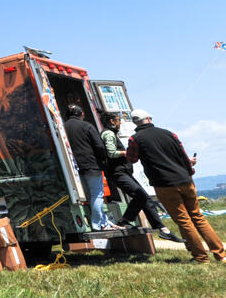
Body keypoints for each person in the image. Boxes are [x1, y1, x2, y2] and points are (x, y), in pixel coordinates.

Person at [127, 109, 225, 264]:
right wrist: (190, 170)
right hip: (185, 180)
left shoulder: (135, 139)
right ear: (149, 118)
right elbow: (182, 154)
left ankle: (201, 257)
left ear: (135, 123)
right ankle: (221, 254)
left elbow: (131, 159)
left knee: (184, 220)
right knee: (198, 217)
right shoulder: (169, 133)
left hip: (163, 184)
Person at [99, 113, 180, 242]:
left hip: (123, 172)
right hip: (117, 172)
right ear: (112, 121)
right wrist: (128, 152)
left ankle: (162, 229)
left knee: (145, 198)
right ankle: (124, 222)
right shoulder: (108, 134)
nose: (120, 123)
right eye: (118, 121)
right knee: (141, 196)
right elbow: (111, 153)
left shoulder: (111, 133)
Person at [63, 104, 119, 230]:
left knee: (90, 196)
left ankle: (104, 221)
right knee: (97, 195)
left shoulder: (63, 127)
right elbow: (99, 145)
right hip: (92, 164)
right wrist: (103, 161)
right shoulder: (87, 126)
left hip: (76, 166)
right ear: (81, 114)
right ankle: (99, 224)